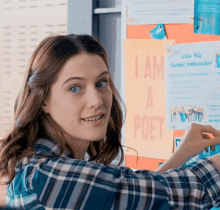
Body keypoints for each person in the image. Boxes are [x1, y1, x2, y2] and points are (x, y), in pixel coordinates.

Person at [1, 34, 220, 209]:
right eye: (75, 88)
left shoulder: (40, 166)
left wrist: (181, 155)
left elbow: (134, 198)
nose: (96, 100)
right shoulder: (49, 175)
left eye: (101, 83)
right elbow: (188, 192)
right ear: (43, 101)